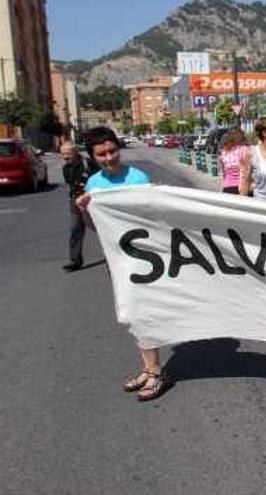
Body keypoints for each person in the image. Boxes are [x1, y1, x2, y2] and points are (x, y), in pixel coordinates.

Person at [73, 126, 166, 402]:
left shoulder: (138, 177)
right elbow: (95, 227)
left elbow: (156, 218)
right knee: (132, 314)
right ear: (93, 156)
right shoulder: (94, 185)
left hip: (146, 259)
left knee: (144, 312)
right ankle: (149, 368)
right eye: (101, 154)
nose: (109, 157)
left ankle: (156, 373)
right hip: (117, 260)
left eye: (112, 151)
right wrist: (83, 211)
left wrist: (160, 196)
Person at [60, 141, 99, 272]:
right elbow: (70, 186)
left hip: (94, 202)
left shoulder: (89, 164)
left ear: (76, 152)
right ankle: (75, 260)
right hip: (76, 202)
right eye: (63, 154)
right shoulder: (66, 168)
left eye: (68, 153)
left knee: (102, 229)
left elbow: (101, 179)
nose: (65, 157)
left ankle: (116, 254)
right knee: (75, 230)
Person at [218, 127, 248, 194]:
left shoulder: (224, 152)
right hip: (243, 187)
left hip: (228, 186)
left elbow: (224, 173)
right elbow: (248, 171)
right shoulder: (245, 149)